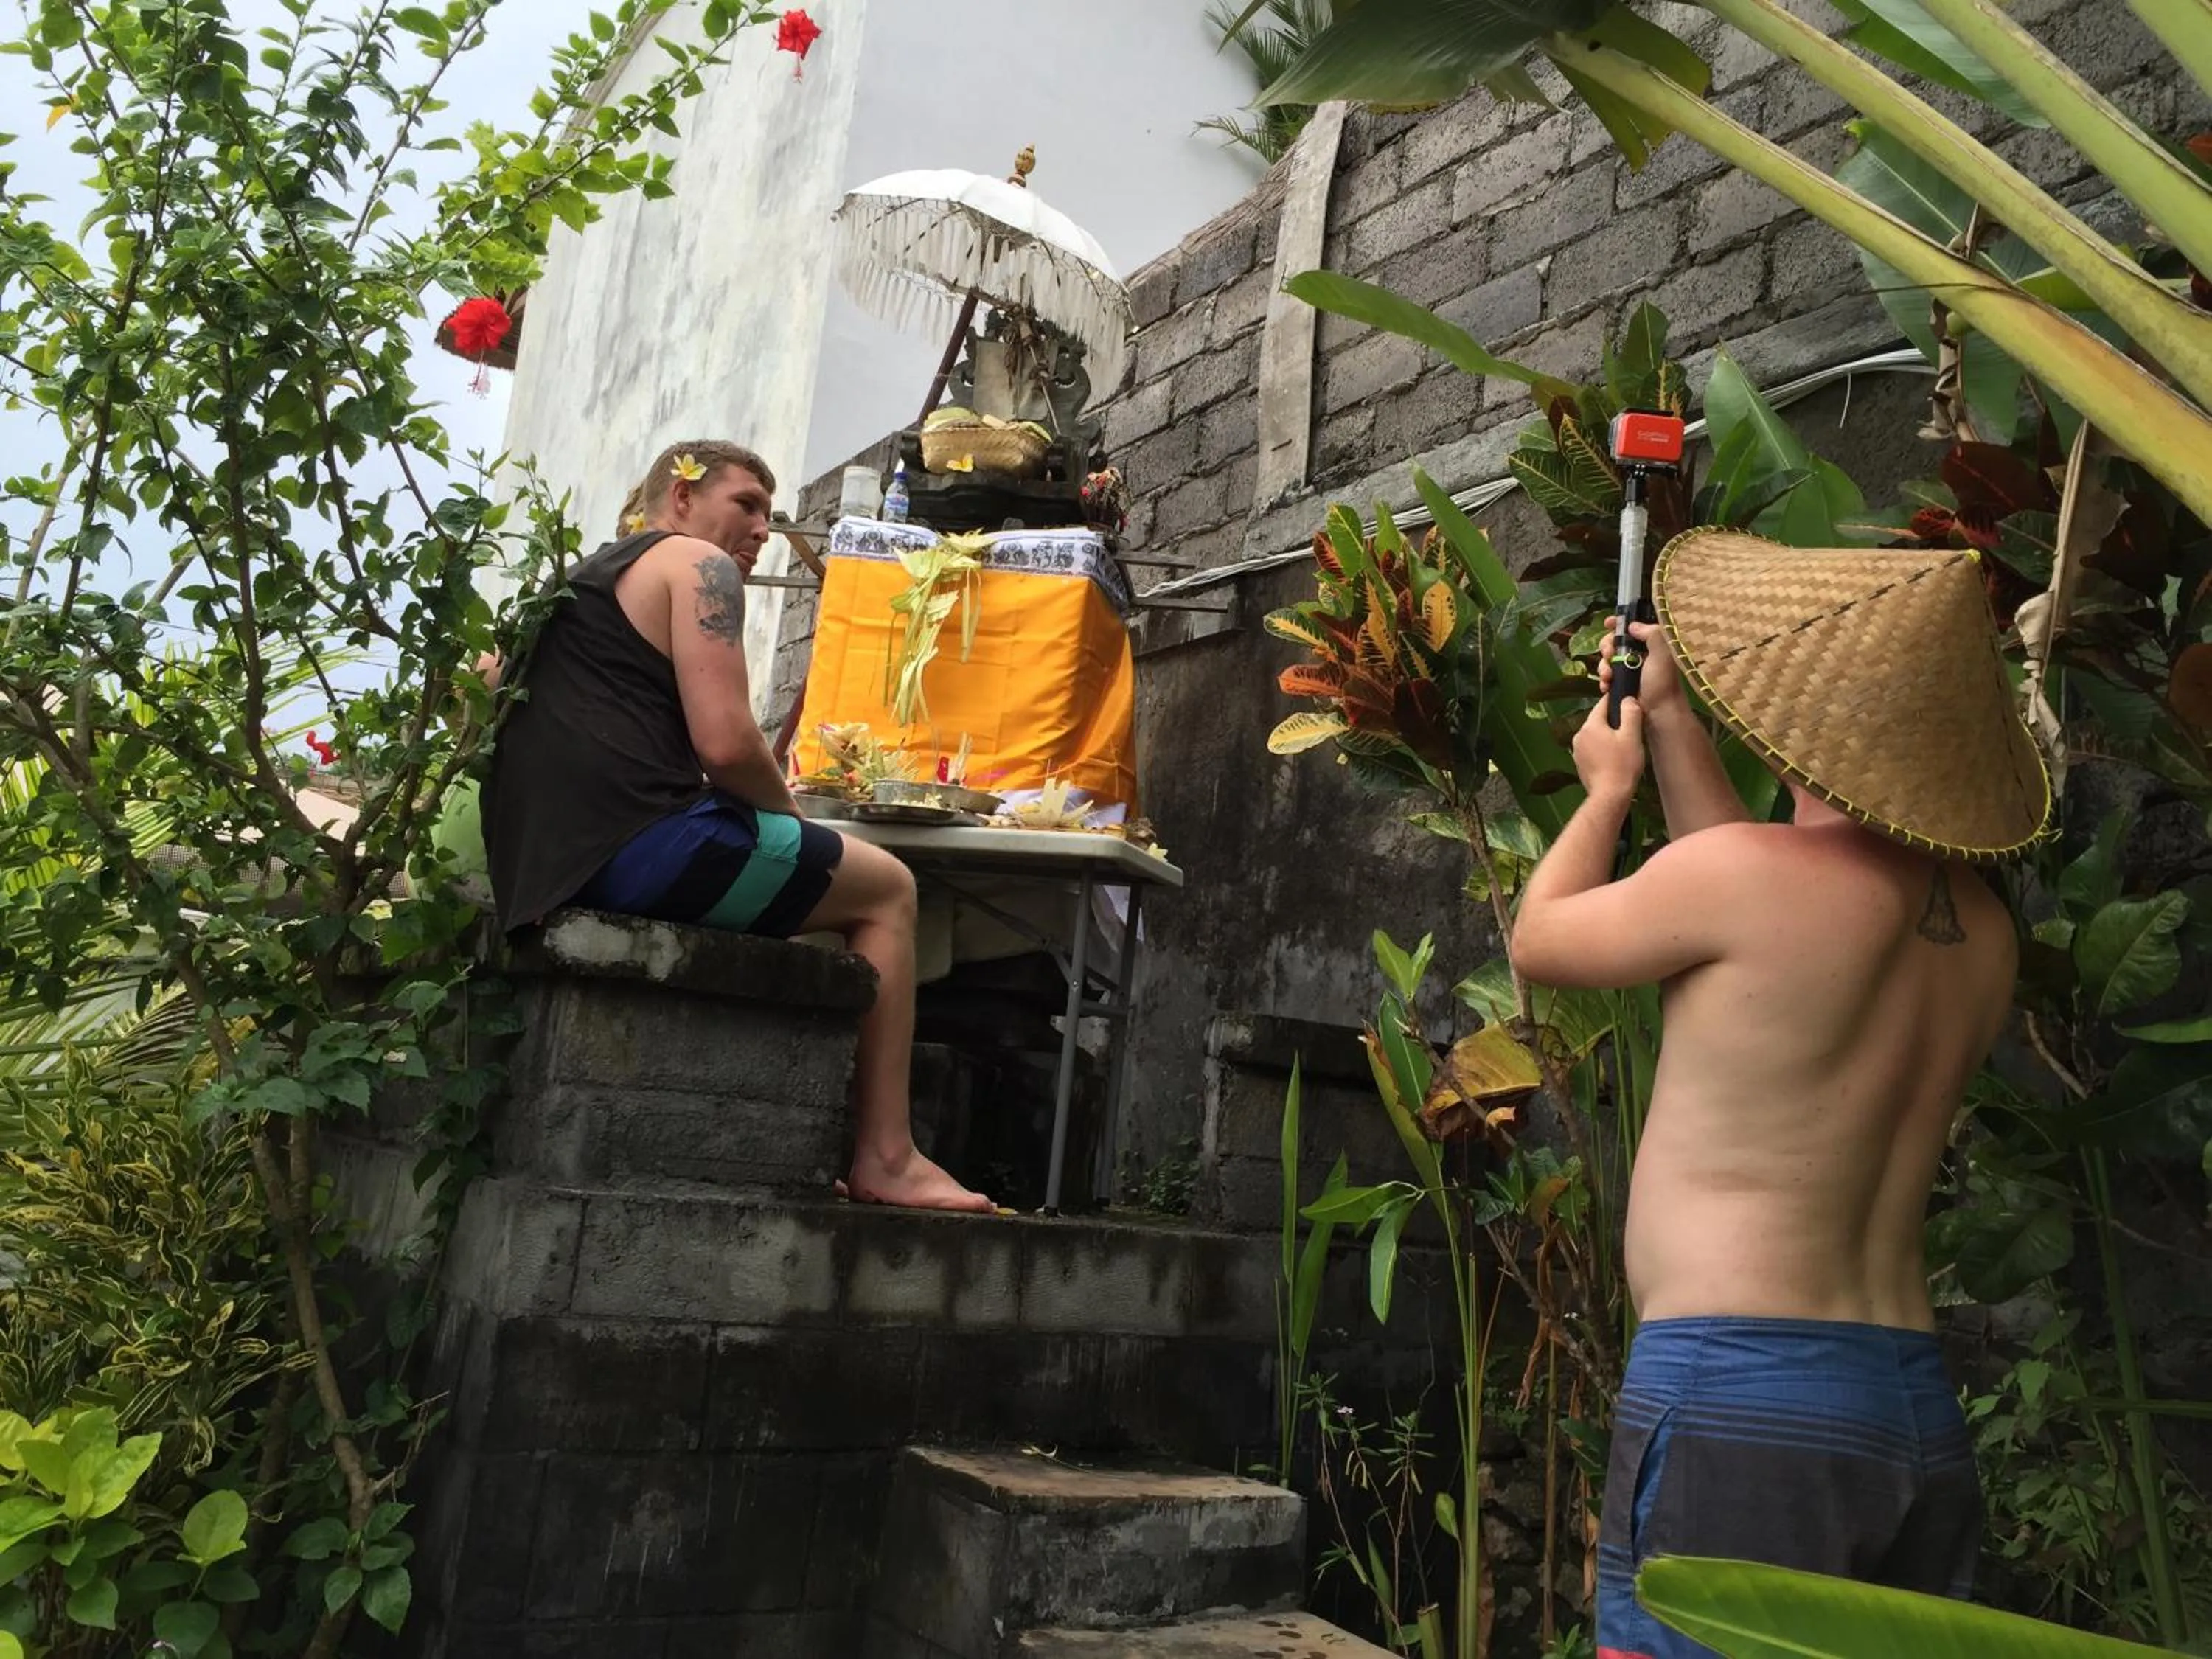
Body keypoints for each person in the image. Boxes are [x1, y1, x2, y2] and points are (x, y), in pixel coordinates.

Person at [1508, 531, 2051, 1659]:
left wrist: (1607, 793)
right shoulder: (1982, 934)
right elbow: (1767, 906)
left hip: (1737, 1392)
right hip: (1906, 1406)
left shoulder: (1751, 886)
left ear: (1811, 730)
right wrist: (1668, 724)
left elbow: (1544, 939)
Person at [481, 438, 994, 1214]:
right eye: (746, 504)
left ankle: (788, 1141)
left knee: (811, 905)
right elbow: (726, 744)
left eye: (767, 511)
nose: (761, 528)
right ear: (681, 498)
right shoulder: (694, 563)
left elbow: (486, 685)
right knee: (886, 887)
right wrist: (786, 814)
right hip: (639, 849)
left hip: (546, 871)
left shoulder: (572, 584)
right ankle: (889, 1155)